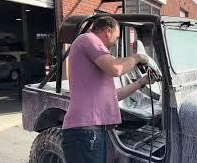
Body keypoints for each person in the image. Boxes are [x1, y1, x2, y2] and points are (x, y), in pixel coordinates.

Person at [61, 16, 159, 163]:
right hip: (84, 131)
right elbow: (116, 68)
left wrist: (141, 82)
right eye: (117, 37)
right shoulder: (88, 39)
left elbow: (113, 96)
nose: (116, 43)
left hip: (91, 132)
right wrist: (137, 57)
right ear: (108, 31)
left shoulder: (94, 58)